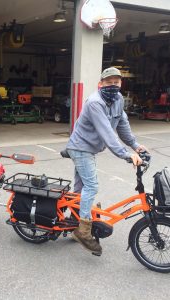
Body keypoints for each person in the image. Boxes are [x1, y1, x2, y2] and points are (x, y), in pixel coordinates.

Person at [66, 67, 147, 256]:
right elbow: (107, 133)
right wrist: (125, 154)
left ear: (121, 84)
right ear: (100, 84)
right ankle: (83, 231)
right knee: (92, 186)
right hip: (80, 148)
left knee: (79, 190)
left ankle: (73, 221)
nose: (113, 85)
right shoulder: (95, 102)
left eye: (116, 82)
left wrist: (136, 146)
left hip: (89, 149)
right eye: (108, 82)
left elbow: (122, 125)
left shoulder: (118, 100)